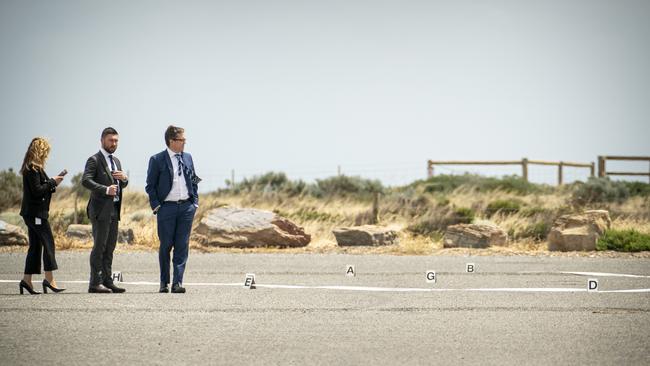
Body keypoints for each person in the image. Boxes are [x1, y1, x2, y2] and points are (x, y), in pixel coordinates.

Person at [146, 125, 201, 294]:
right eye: (182, 140)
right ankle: (164, 283)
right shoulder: (157, 159)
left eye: (184, 140)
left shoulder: (188, 157)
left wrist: (194, 203)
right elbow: (150, 186)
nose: (185, 142)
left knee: (182, 246)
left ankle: (177, 283)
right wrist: (157, 206)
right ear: (172, 141)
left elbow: (193, 181)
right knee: (166, 246)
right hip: (166, 208)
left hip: (186, 208)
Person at [82, 127, 128, 293]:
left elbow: (121, 184)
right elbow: (86, 181)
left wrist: (124, 179)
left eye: (116, 140)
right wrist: (105, 189)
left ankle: (107, 281)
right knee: (99, 247)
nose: (113, 143)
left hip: (114, 210)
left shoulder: (116, 161)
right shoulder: (94, 160)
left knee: (110, 248)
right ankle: (95, 283)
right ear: (102, 140)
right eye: (110, 140)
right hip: (100, 211)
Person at [18, 137, 66, 295]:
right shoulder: (32, 168)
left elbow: (40, 189)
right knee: (48, 243)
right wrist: (52, 182)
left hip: (33, 213)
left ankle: (26, 280)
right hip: (36, 214)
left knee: (36, 246)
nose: (47, 155)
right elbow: (37, 191)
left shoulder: (34, 168)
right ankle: (49, 279)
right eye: (45, 152)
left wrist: (52, 183)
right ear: (40, 151)